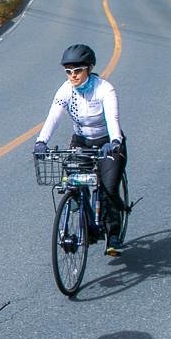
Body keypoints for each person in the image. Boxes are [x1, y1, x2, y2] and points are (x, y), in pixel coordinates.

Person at [33, 44, 127, 255]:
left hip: (107, 142)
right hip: (82, 141)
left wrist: (114, 141)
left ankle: (113, 235)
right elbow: (54, 116)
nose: (72, 76)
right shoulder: (66, 89)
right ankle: (79, 202)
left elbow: (113, 119)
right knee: (73, 180)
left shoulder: (104, 88)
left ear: (89, 68)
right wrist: (41, 141)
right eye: (68, 71)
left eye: (77, 70)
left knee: (109, 188)